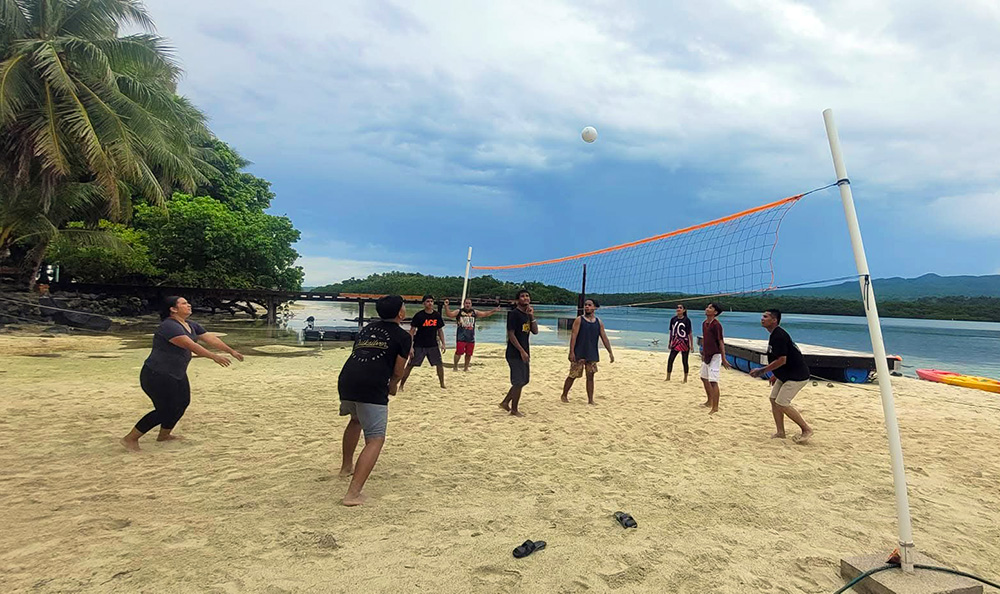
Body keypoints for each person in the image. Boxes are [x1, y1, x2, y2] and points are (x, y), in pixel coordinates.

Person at [120, 296, 243, 451]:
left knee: (182, 403)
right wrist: (213, 356)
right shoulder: (169, 326)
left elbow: (210, 338)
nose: (189, 305)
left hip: (176, 373)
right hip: (157, 374)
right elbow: (190, 345)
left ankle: (164, 435)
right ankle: (130, 439)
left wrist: (231, 351)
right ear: (173, 309)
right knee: (165, 410)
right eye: (184, 303)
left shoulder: (190, 325)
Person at [337, 295, 411, 506]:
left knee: (355, 420)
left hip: (347, 379)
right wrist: (393, 386)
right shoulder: (403, 336)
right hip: (371, 384)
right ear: (400, 313)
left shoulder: (367, 329)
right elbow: (398, 370)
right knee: (376, 439)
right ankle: (353, 494)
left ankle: (346, 467)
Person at [749, 309, 814, 443]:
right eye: (762, 316)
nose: (762, 318)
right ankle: (780, 432)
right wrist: (776, 374)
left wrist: (762, 371)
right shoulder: (774, 334)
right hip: (785, 374)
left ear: (774, 320)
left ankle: (806, 429)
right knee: (773, 399)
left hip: (796, 375)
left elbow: (782, 360)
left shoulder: (779, 336)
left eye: (765, 317)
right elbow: (780, 358)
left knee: (782, 403)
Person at [560, 298, 614, 405]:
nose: (587, 307)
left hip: (591, 353)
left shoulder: (598, 322)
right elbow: (573, 336)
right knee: (573, 375)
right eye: (585, 305)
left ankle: (590, 400)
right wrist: (571, 352)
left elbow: (604, 338)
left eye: (589, 305)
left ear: (595, 307)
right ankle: (564, 395)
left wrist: (610, 352)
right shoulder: (579, 320)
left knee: (590, 377)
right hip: (579, 352)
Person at [499, 289, 538, 417]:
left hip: (525, 351)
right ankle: (514, 410)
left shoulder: (527, 314)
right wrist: (521, 351)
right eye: (522, 296)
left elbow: (535, 331)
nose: (525, 298)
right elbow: (511, 334)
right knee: (518, 381)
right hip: (514, 353)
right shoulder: (513, 314)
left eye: (527, 296)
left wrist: (532, 316)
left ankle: (505, 402)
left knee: (525, 380)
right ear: (517, 300)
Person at [399, 294, 446, 390]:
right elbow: (412, 331)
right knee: (410, 365)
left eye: (431, 301)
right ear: (424, 303)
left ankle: (442, 384)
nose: (430, 303)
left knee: (439, 364)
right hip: (419, 345)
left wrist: (443, 343)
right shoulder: (419, 315)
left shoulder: (437, 315)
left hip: (432, 344)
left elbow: (440, 330)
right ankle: (401, 385)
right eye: (428, 301)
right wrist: (410, 347)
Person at [443, 297, 501, 371]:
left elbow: (485, 314)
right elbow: (449, 315)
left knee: (469, 354)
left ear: (471, 304)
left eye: (469, 303)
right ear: (464, 304)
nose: (467, 305)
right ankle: (455, 366)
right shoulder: (459, 312)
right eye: (466, 303)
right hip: (461, 337)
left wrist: (494, 310)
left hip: (470, 337)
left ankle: (466, 368)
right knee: (459, 352)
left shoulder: (474, 312)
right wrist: (446, 306)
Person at [700, 302, 731, 415]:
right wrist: (703, 352)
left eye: (710, 308)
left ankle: (715, 407)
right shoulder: (704, 323)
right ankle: (709, 400)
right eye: (707, 307)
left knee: (713, 381)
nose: (707, 309)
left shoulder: (716, 325)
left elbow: (721, 341)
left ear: (715, 312)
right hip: (707, 355)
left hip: (715, 355)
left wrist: (724, 358)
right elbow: (705, 338)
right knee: (703, 377)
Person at [665, 304, 694, 382]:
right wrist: (670, 342)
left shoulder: (687, 320)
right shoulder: (673, 319)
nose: (678, 309)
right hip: (675, 342)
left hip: (684, 342)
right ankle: (668, 377)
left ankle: (685, 378)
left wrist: (691, 345)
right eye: (677, 308)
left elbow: (689, 333)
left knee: (684, 361)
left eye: (680, 308)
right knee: (670, 359)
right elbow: (671, 331)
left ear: (684, 310)